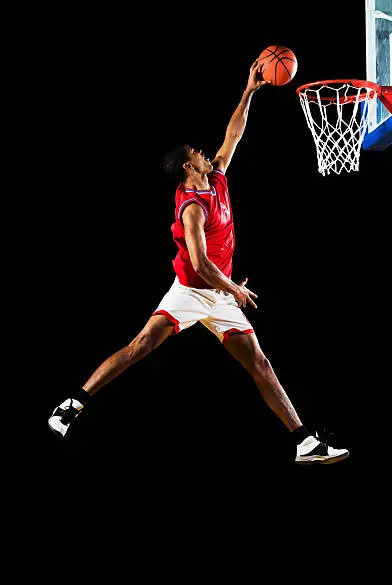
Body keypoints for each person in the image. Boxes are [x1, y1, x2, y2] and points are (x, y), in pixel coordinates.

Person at [48, 59, 349, 465]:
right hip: (192, 290)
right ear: (189, 167)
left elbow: (234, 134)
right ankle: (73, 403)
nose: (207, 153)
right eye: (198, 153)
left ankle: (304, 442)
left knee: (260, 363)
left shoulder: (218, 178)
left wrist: (249, 91)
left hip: (221, 294)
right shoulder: (191, 207)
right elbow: (201, 265)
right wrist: (235, 289)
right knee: (140, 346)